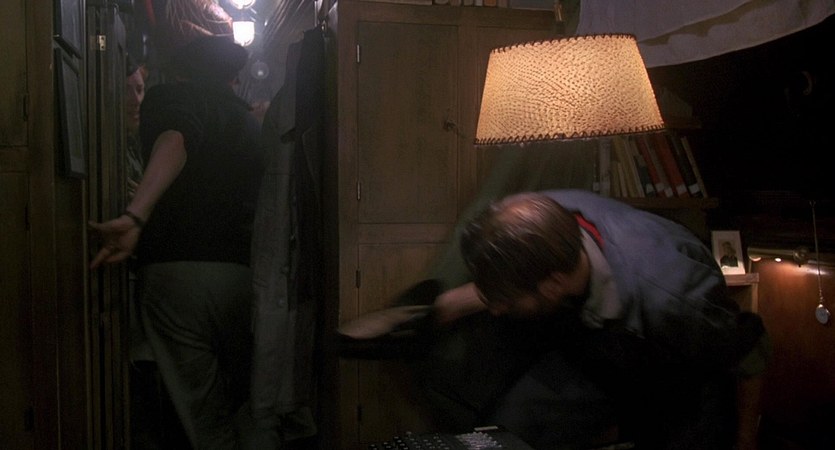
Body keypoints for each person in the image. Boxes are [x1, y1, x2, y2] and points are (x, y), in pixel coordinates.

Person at [432, 190, 770, 450]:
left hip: (678, 376)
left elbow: (749, 355)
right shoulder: (534, 215)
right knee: (510, 429)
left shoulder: (674, 301)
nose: (496, 309)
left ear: (552, 285)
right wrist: (458, 301)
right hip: (592, 343)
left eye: (505, 301)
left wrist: (745, 443)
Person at [89, 35, 264, 450]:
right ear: (233, 78)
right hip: (244, 277)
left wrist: (136, 215)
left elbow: (176, 140)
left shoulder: (171, 98)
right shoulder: (250, 123)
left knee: (204, 414)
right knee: (251, 405)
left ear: (181, 73)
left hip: (176, 277)